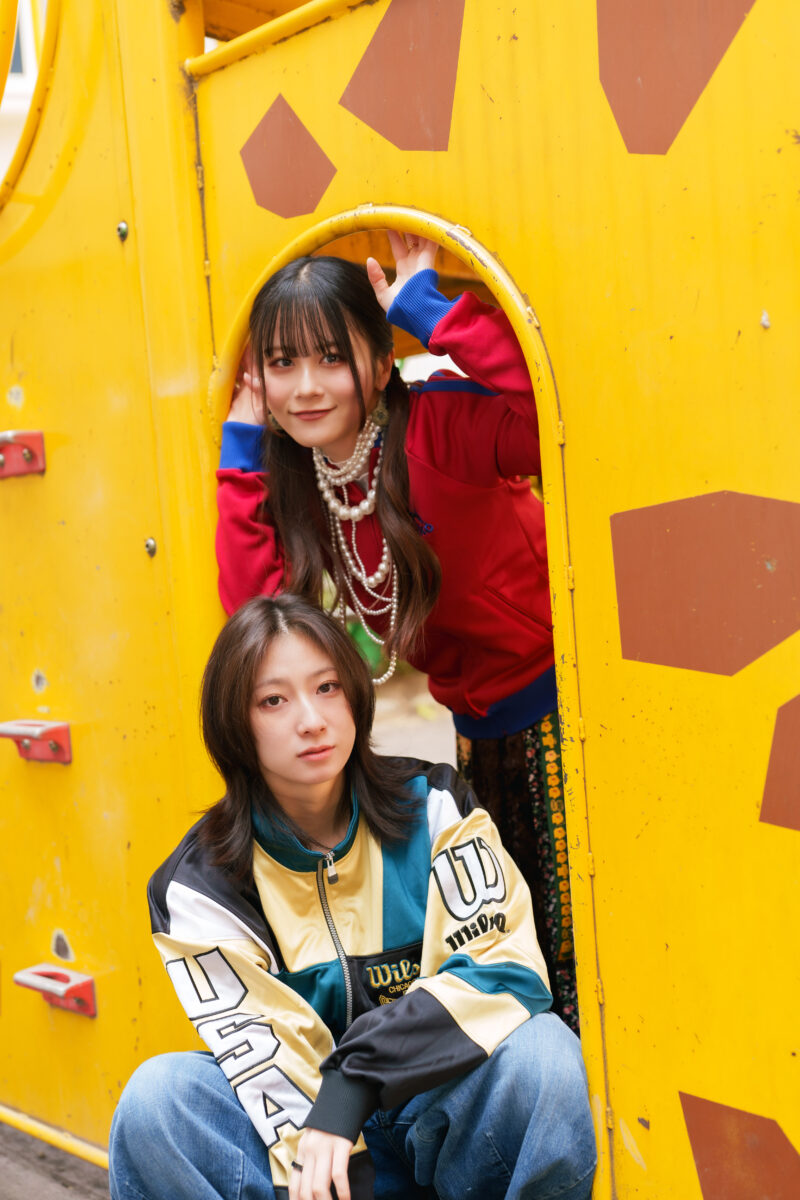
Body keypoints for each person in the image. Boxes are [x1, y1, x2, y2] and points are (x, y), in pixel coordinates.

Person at [108, 595, 595, 1200]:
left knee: (542, 1054)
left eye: (328, 687)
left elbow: (506, 973)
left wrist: (355, 1082)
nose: (312, 720)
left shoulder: (435, 806)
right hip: (301, 1150)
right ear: (235, 722)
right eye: (274, 700)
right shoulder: (200, 885)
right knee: (159, 1098)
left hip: (433, 1112)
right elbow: (267, 1064)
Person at [216, 232, 577, 1030]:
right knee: (523, 955)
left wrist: (428, 309)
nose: (306, 387)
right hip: (478, 730)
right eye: (282, 363)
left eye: (330, 357)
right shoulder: (304, 478)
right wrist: (241, 456)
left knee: (578, 941)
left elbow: (555, 407)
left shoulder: (441, 425)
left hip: (572, 712)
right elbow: (257, 624)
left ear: (381, 365)